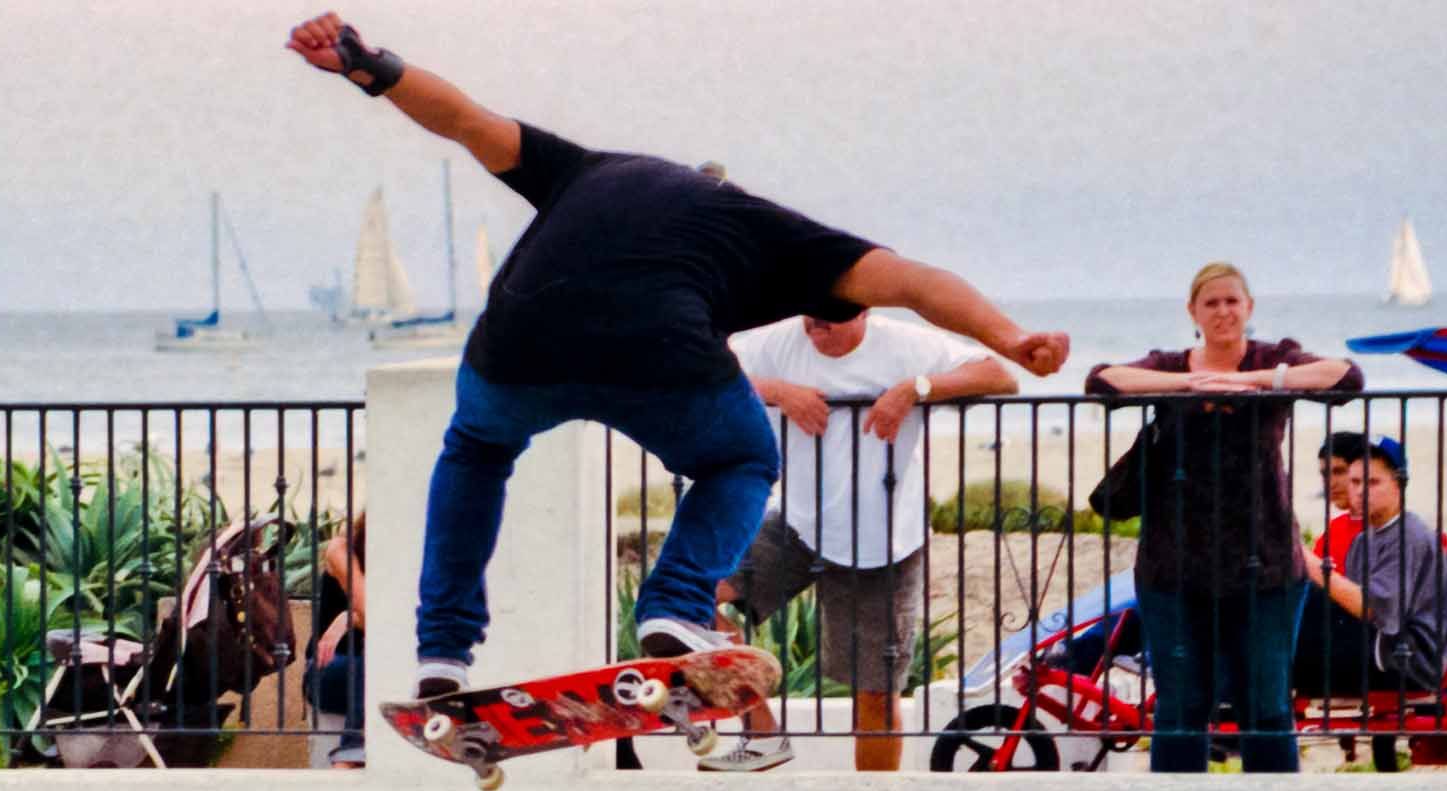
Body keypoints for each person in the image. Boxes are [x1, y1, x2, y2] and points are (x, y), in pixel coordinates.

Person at [285, 13, 1071, 700]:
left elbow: (462, 118)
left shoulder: (587, 169)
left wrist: (365, 62)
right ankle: (676, 605)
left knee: (477, 450)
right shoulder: (778, 235)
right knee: (741, 460)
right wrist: (1007, 338)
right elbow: (911, 282)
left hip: (517, 345)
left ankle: (443, 650)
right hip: (658, 353)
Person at [703, 311, 1017, 771]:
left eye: (827, 315)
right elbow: (700, 370)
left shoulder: (905, 343)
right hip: (798, 522)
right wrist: (778, 392)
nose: (814, 326)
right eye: (807, 313)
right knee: (690, 599)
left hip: (883, 542)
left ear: (863, 308)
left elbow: (1000, 376)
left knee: (874, 693)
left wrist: (914, 390)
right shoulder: (777, 342)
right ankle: (763, 732)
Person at [1085, 261, 1363, 772]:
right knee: (1181, 707)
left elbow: (1346, 376)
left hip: (1267, 562)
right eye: (1211, 303)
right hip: (1175, 566)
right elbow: (1102, 380)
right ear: (1193, 311)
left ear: (1249, 307)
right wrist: (1191, 385)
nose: (1222, 311)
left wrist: (1256, 382)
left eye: (1232, 301)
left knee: (1268, 706)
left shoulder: (1275, 357)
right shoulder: (1170, 365)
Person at [1295, 440, 1447, 699]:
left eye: (1372, 482)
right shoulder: (1364, 540)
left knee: (1297, 607)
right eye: (1355, 483)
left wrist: (1308, 562)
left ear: (1399, 483)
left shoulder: (1410, 536)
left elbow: (1375, 610)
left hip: (1404, 662)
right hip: (1375, 648)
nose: (1360, 492)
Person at [306, 513, 368, 767]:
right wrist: (356, 617)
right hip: (329, 671)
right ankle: (352, 753)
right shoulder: (341, 549)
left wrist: (348, 619)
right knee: (373, 655)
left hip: (369, 673)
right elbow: (376, 614)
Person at [1312, 431, 1368, 565]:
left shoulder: (1391, 531)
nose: (1330, 483)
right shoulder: (1334, 530)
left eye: (1339, 471)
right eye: (1325, 474)